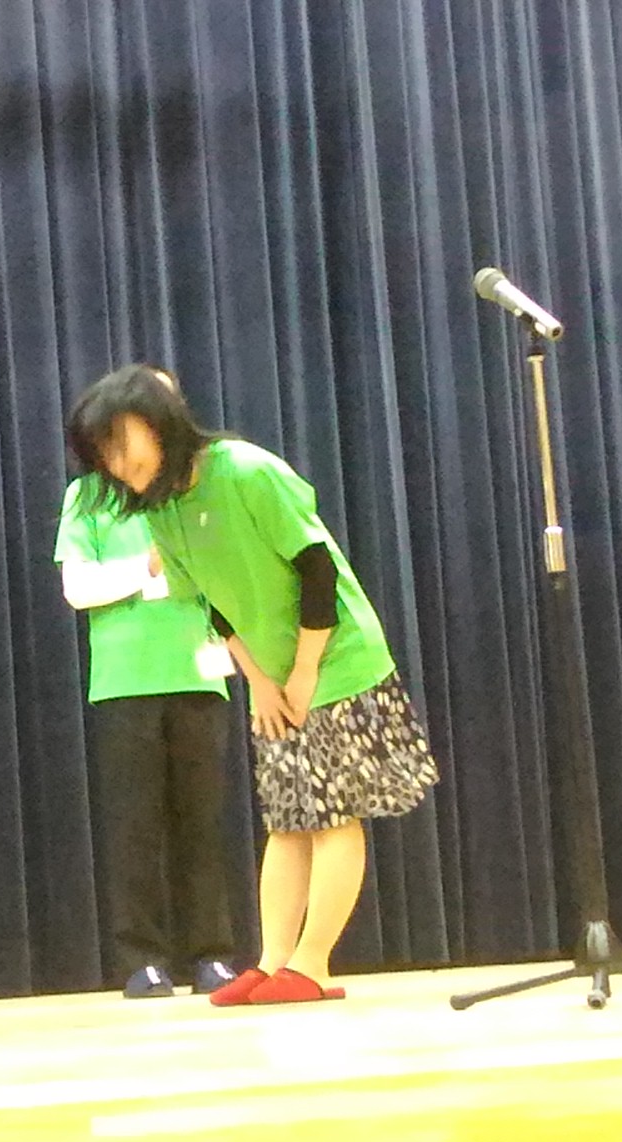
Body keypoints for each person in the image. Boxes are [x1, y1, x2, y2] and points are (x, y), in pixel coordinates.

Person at [64, 365, 438, 1006]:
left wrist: (305, 669)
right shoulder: (162, 509)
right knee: (289, 819)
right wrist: (261, 682)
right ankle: (272, 963)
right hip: (275, 671)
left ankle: (312, 965)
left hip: (336, 656)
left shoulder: (244, 470)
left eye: (119, 443)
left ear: (158, 423)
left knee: (333, 814)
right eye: (103, 455)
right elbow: (213, 603)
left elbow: (317, 569)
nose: (116, 465)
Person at [54, 367, 239, 998]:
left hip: (199, 674)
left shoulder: (196, 487)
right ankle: (142, 959)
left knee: (202, 823)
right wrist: (148, 566)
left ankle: (211, 954)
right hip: (124, 680)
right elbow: (78, 589)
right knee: (135, 826)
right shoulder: (88, 497)